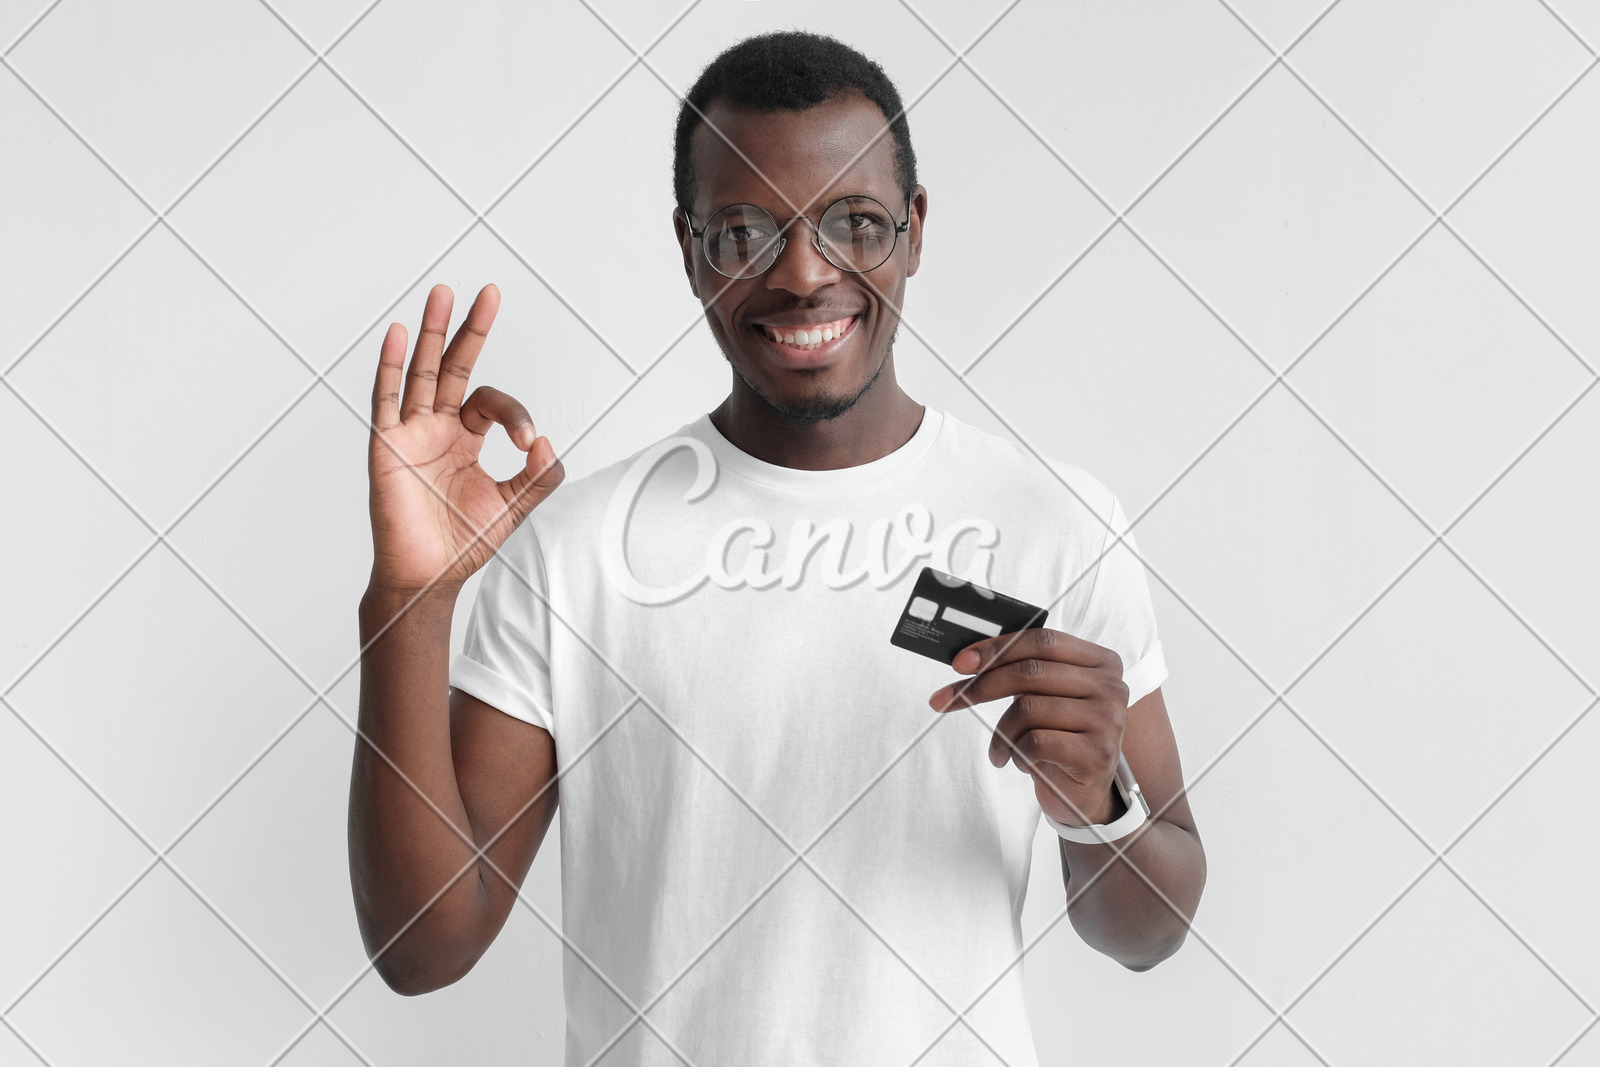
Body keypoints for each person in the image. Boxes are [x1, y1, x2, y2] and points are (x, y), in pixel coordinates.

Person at [348, 29, 1206, 1067]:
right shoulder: (577, 546)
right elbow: (420, 944)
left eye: (853, 222)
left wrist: (1098, 803)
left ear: (915, 229)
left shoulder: (1053, 522)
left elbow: (1148, 932)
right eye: (745, 230)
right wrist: (408, 600)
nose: (803, 274)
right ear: (687, 244)